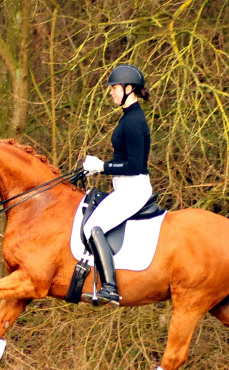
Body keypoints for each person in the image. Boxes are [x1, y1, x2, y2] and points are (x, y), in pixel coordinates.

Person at [82, 64, 152, 306]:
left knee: (93, 226)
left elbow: (134, 165)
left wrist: (102, 167)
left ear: (129, 88)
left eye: (114, 88)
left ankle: (110, 288)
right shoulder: (128, 117)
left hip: (133, 189)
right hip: (124, 187)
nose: (110, 92)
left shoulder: (134, 122)